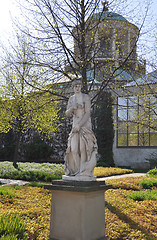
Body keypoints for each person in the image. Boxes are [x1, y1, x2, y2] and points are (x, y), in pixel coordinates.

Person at [64, 78, 97, 177]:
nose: (77, 88)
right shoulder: (71, 99)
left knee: (84, 149)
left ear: (81, 86)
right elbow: (67, 114)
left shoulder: (85, 97)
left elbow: (87, 113)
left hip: (84, 125)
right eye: (75, 86)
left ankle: (83, 172)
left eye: (78, 86)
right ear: (73, 87)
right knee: (73, 149)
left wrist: (80, 125)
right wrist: (72, 107)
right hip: (75, 127)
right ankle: (78, 171)